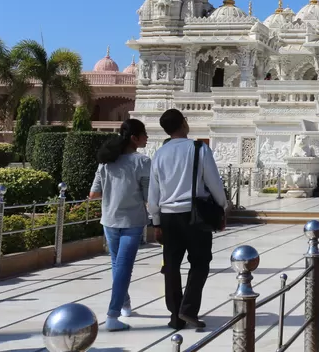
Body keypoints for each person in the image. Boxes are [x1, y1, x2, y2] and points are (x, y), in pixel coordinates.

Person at [148, 109, 228, 330]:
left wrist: (156, 221)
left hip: (167, 216)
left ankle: (175, 315)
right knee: (200, 262)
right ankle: (189, 308)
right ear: (183, 124)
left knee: (172, 265)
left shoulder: (159, 154)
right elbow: (214, 182)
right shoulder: (198, 148)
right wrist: (222, 207)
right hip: (195, 215)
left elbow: (153, 192)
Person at [89, 119, 151, 331]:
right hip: (131, 221)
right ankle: (113, 314)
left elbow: (93, 194)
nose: (146, 137)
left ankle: (124, 304)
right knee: (123, 267)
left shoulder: (106, 162)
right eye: (144, 134)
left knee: (119, 266)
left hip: (109, 220)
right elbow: (148, 195)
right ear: (134, 138)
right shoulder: (142, 162)